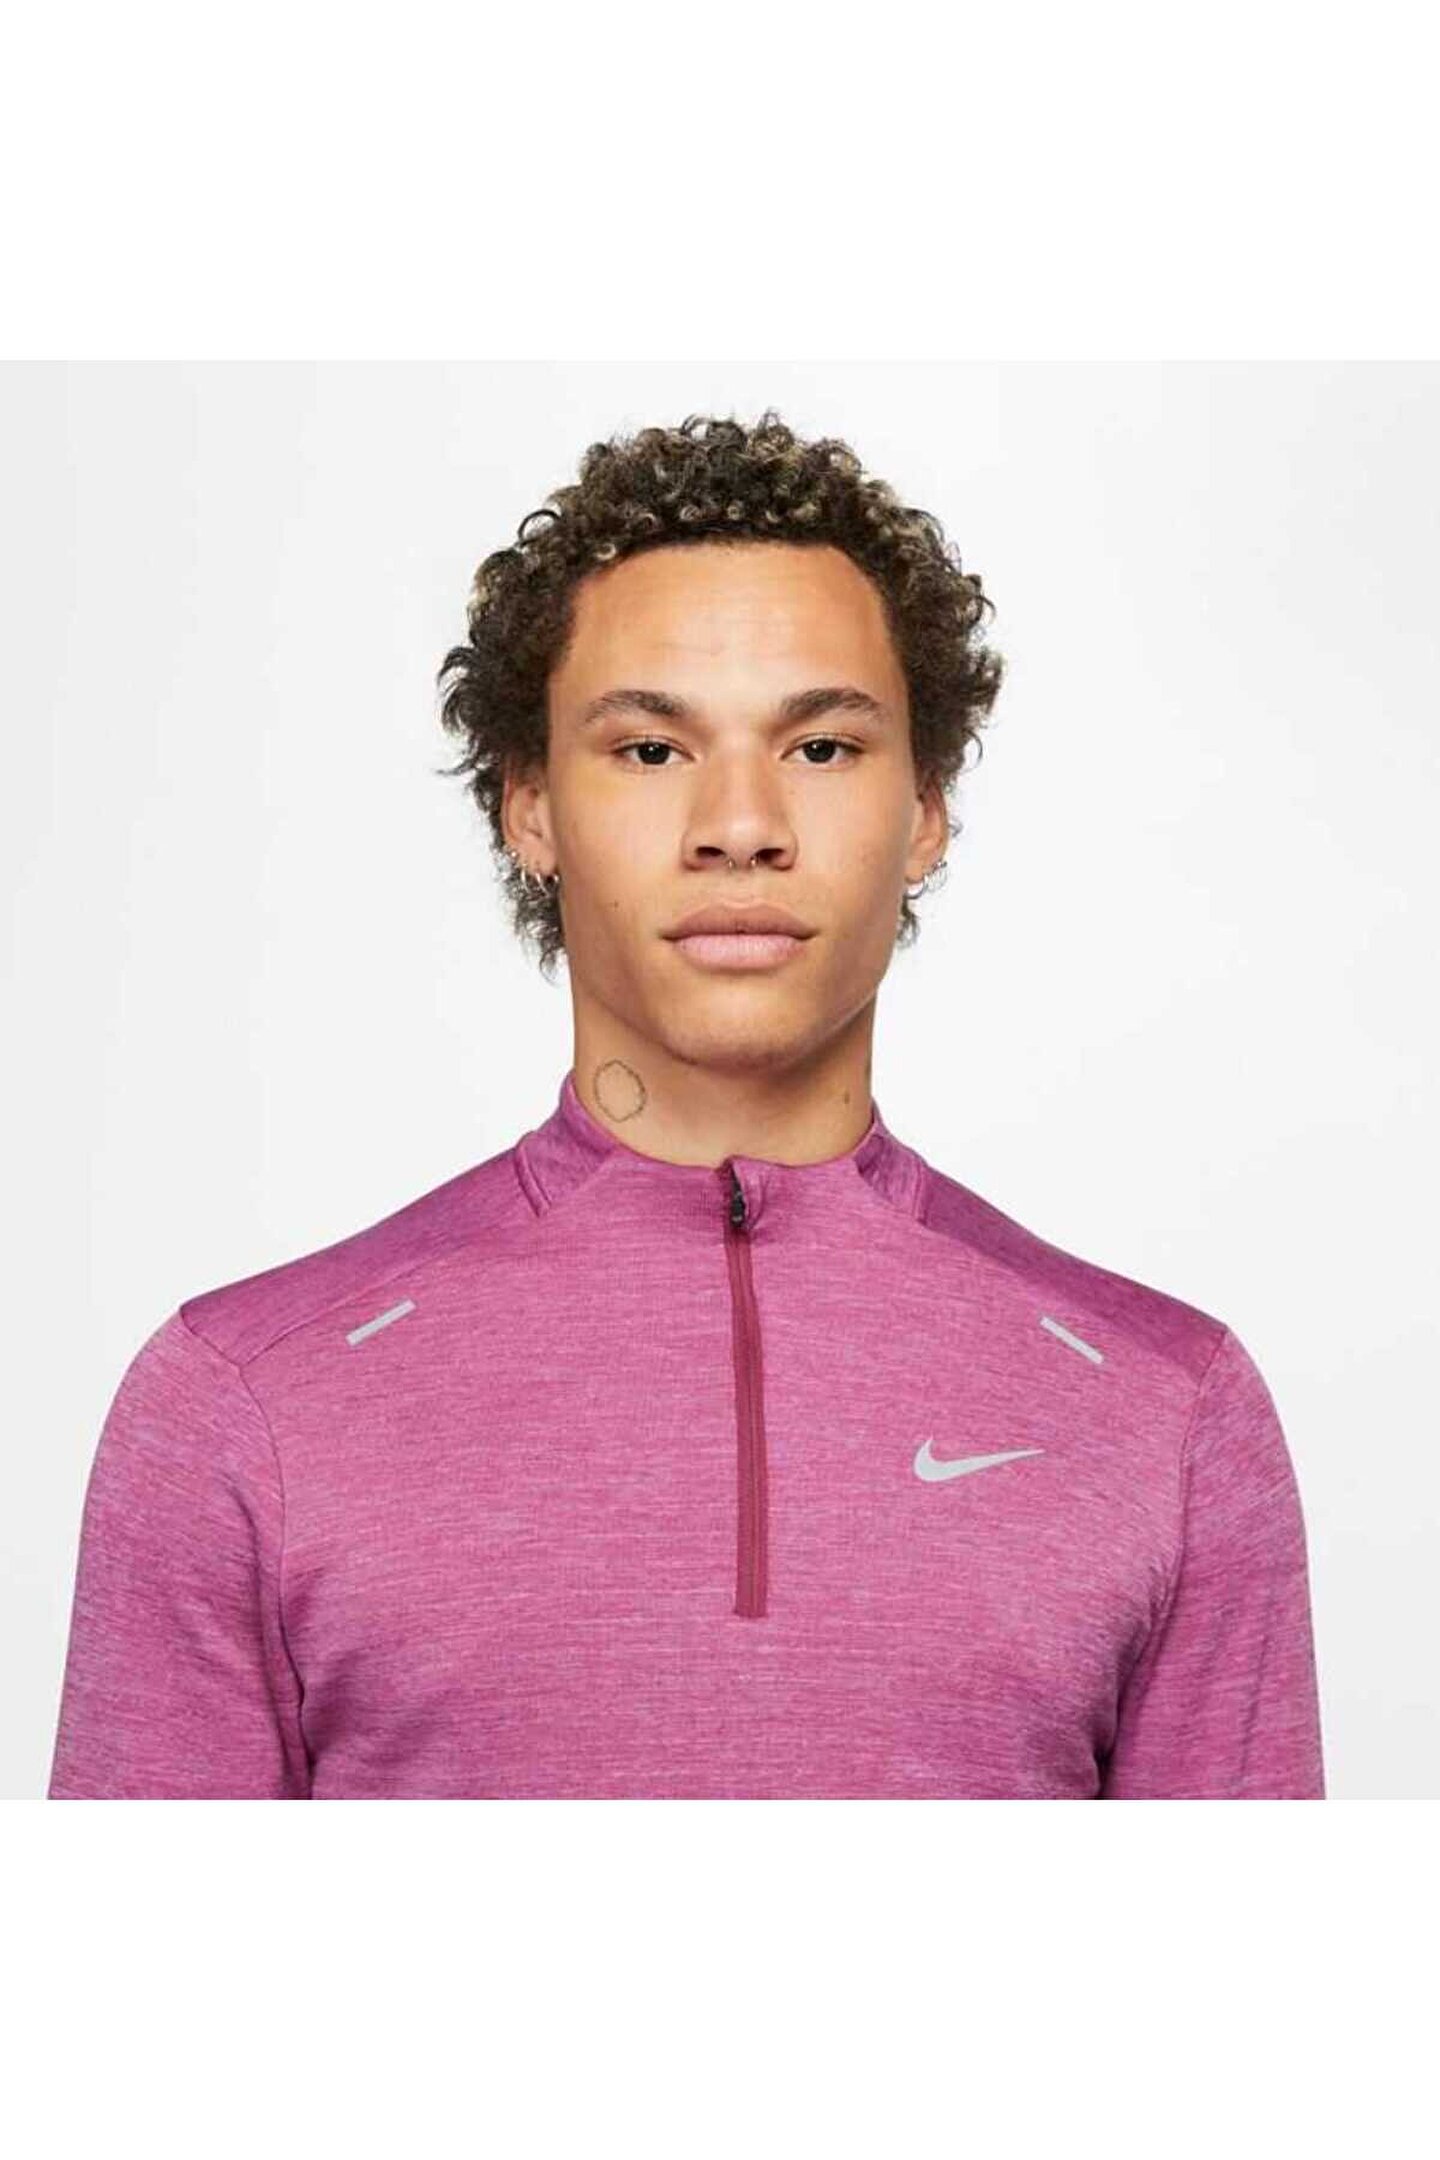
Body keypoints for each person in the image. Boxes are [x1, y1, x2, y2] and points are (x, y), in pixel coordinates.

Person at [47, 409, 1325, 1799]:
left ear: (926, 810)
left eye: (821, 748)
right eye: (652, 750)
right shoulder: (239, 1402)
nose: (740, 826)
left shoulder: (1169, 1412)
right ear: (530, 808)